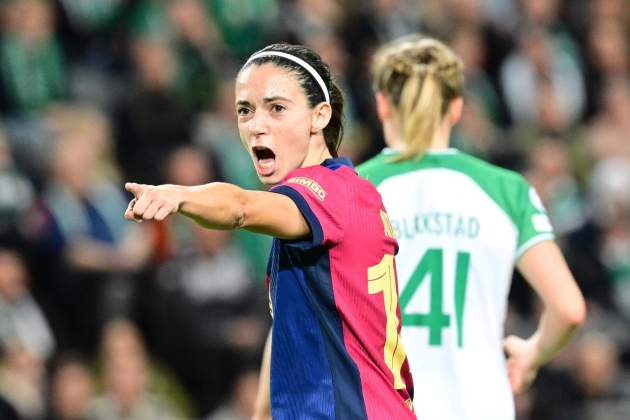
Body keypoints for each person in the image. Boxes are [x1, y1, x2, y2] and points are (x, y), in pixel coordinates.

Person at [124, 43, 415, 419]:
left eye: (276, 108)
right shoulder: (340, 198)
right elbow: (291, 335)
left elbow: (240, 209)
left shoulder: (328, 194)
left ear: (319, 116)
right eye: (245, 110)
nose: (256, 125)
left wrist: (179, 195)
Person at [357, 35, 587, 420]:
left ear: (382, 104)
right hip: (481, 406)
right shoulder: (505, 189)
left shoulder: (354, 189)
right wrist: (532, 354)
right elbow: (569, 309)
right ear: (457, 107)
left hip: (383, 406)